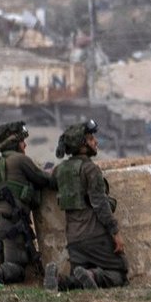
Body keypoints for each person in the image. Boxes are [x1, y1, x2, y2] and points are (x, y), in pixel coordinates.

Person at [44, 120, 128, 292]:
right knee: (120, 273)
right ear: (82, 146)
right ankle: (92, 275)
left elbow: (50, 181)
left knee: (77, 279)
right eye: (90, 139)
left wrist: (49, 170)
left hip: (74, 241)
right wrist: (115, 233)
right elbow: (101, 205)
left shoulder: (61, 170)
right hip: (95, 237)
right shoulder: (91, 170)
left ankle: (60, 281)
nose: (95, 142)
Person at [0, 120, 54, 286]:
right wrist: (51, 172)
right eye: (22, 141)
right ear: (14, 143)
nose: (25, 145)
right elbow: (44, 180)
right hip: (10, 224)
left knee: (11, 256)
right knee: (18, 270)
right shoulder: (20, 160)